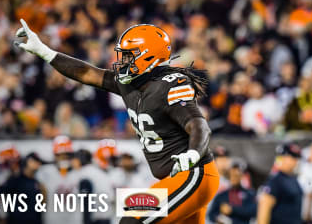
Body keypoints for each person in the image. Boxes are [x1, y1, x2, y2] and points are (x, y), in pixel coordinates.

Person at [15, 20, 219, 223]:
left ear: (149, 56)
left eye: (129, 56)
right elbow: (87, 73)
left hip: (194, 174)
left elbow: (198, 125)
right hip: (175, 178)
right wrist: (44, 52)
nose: (121, 61)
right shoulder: (127, 84)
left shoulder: (168, 86)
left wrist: (192, 153)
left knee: (131, 218)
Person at [36, 135, 78, 224]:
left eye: (66, 154)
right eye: (60, 154)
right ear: (55, 155)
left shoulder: (78, 172)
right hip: (52, 219)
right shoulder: (45, 172)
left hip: (73, 220)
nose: (64, 157)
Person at [0, 153, 45, 224]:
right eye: (35, 161)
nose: (38, 164)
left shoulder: (36, 182)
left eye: (39, 162)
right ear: (27, 162)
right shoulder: (15, 180)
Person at [257, 143, 303, 224]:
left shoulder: (292, 178)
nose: (296, 161)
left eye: (297, 158)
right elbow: (264, 208)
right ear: (283, 158)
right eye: (293, 158)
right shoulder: (276, 180)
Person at [70, 149, 115, 224]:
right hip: (105, 216)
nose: (72, 162)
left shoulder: (84, 174)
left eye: (74, 159)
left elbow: (86, 202)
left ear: (80, 160)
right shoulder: (97, 172)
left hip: (95, 218)